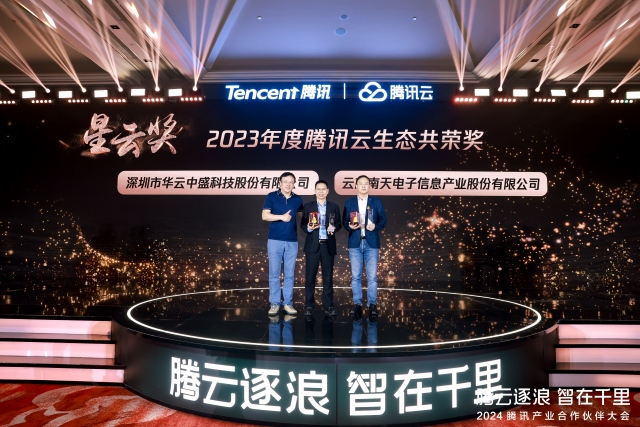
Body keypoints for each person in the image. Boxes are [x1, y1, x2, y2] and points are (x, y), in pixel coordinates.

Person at [342, 175, 387, 319]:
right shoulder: (349, 202)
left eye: (366, 183)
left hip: (371, 242)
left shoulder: (376, 202)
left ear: (369, 186)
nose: (363, 186)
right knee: (356, 276)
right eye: (360, 183)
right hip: (355, 242)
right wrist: (349, 226)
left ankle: (372, 304)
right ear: (356, 185)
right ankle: (357, 304)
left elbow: (383, 220)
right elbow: (344, 221)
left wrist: (376, 226)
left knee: (372, 277)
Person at [262, 172, 303, 316]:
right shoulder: (272, 196)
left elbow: (302, 216)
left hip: (292, 241)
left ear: (294, 184)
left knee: (289, 274)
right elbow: (264, 215)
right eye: (285, 181)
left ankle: (287, 303)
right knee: (274, 274)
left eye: (291, 182)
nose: (288, 184)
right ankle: (274, 303)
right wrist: (281, 217)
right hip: (275, 240)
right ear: (280, 183)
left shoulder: (298, 199)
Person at [300, 180, 342, 318]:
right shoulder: (308, 206)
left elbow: (338, 224)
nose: (321, 191)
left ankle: (329, 306)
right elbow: (303, 224)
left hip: (328, 245)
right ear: (315, 191)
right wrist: (308, 228)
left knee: (328, 278)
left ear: (328, 191)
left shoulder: (334, 207)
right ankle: (309, 305)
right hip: (313, 246)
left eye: (323, 189)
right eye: (318, 189)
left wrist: (334, 228)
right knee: (310, 278)